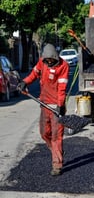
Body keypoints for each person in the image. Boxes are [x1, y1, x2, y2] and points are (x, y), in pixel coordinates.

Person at [18, 43, 69, 176]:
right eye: (47, 60)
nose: (49, 62)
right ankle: (56, 151)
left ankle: (57, 165)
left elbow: (62, 88)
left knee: (56, 136)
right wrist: (25, 82)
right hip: (44, 103)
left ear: (55, 57)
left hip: (57, 106)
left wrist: (59, 105)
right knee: (44, 133)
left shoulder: (63, 66)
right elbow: (34, 74)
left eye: (51, 60)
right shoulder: (42, 63)